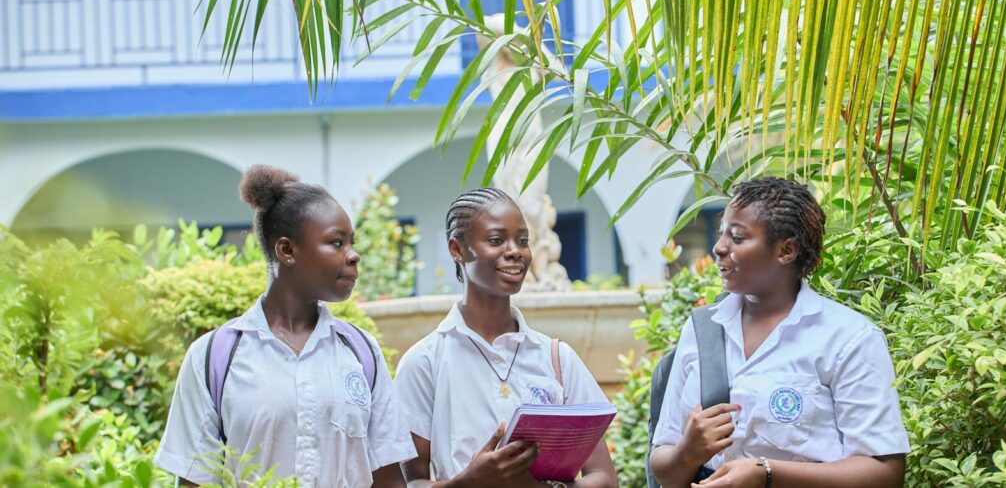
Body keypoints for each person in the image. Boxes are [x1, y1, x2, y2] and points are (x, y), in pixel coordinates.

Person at [155, 165, 414, 487]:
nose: (354, 256)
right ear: (287, 250)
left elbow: (389, 480)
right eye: (337, 243)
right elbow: (194, 480)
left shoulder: (361, 353)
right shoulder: (214, 357)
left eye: (352, 242)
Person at [649, 177, 909, 487]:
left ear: (786, 251)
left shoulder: (848, 338)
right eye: (722, 234)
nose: (719, 248)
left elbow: (884, 473)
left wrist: (767, 473)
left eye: (738, 237)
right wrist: (687, 453)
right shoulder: (702, 329)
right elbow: (662, 466)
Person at [394, 187, 618, 488]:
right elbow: (408, 482)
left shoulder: (557, 359)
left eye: (522, 241)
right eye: (496, 240)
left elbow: (604, 478)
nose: (515, 251)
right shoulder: (425, 363)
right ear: (457, 249)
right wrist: (467, 483)